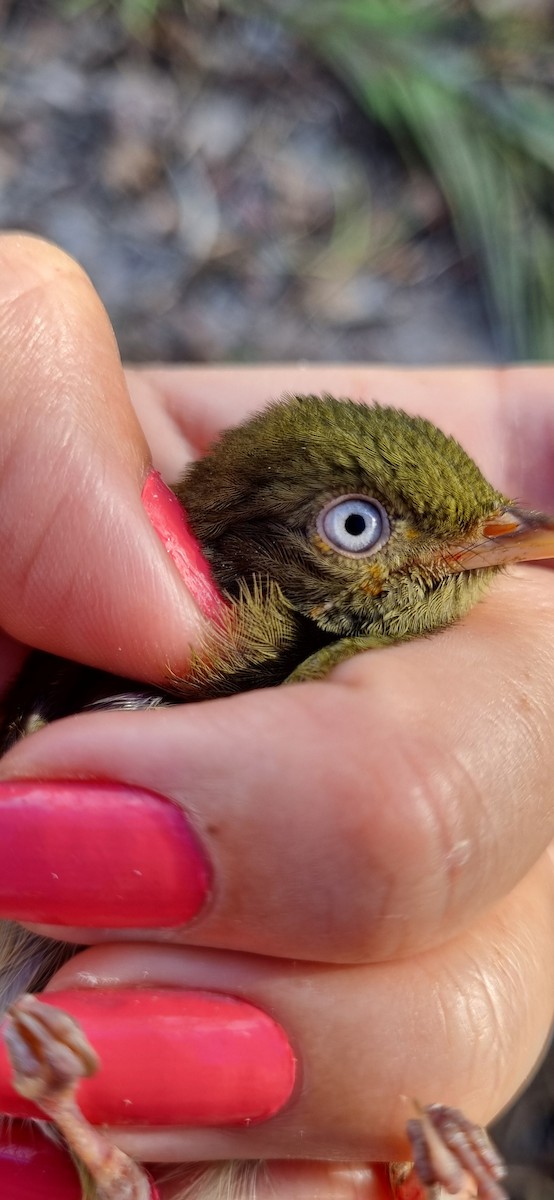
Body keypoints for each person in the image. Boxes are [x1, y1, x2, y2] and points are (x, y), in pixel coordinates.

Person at [0, 232, 552, 1200]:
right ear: (248, 547)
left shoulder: (380, 696)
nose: (493, 543)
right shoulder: (93, 677)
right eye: (355, 527)